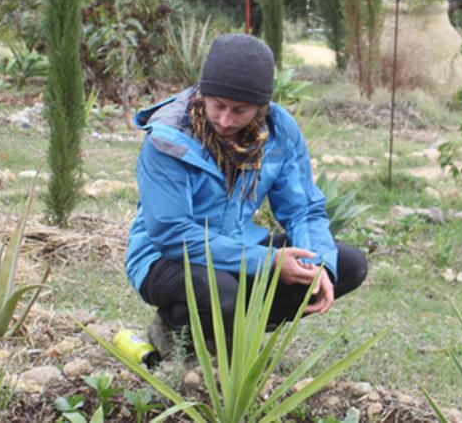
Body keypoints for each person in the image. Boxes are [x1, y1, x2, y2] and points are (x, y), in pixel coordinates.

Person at [125, 33, 367, 355]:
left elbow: (304, 210)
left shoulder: (278, 133)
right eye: (217, 105)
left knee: (346, 265)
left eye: (240, 110)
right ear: (203, 94)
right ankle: (173, 329)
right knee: (221, 291)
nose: (225, 120)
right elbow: (171, 232)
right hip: (164, 257)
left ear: (262, 107)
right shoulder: (168, 138)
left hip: (239, 246)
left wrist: (318, 263)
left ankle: (233, 328)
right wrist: (267, 262)